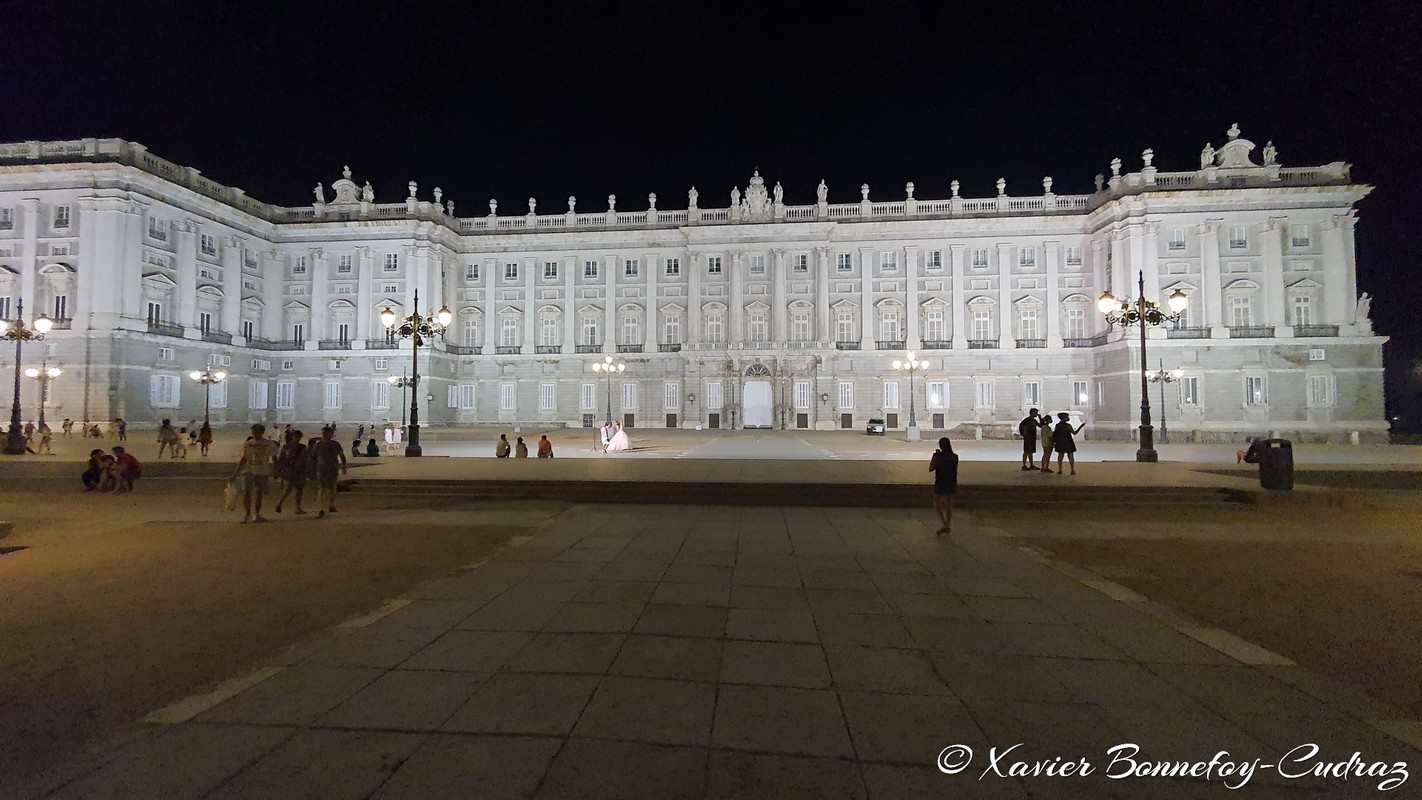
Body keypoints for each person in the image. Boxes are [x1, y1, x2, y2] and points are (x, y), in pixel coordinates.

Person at [233, 423, 277, 523]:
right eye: (253, 431)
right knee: (247, 493)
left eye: (256, 432)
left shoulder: (268, 444)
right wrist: (236, 472)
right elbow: (244, 458)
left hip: (262, 471)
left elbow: (274, 459)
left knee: (259, 493)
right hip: (249, 470)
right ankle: (248, 514)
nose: (254, 434)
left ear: (262, 432)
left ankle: (257, 514)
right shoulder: (248, 443)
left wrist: (275, 471)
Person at [312, 426, 348, 518]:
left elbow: (342, 456)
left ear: (331, 434)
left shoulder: (335, 444)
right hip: (321, 468)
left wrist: (344, 467)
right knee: (322, 488)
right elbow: (313, 457)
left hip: (332, 468)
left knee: (332, 487)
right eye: (323, 433)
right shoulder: (318, 444)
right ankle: (320, 507)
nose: (324, 435)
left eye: (326, 433)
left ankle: (331, 504)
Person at [273, 430, 309, 514]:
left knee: (299, 489)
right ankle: (280, 503)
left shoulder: (303, 447)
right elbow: (281, 458)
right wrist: (279, 470)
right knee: (289, 488)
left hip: (299, 471)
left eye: (299, 437)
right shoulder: (287, 447)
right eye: (296, 436)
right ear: (293, 437)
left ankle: (297, 507)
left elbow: (306, 459)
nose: (297, 438)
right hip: (290, 471)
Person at [929, 436, 959, 535]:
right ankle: (947, 524)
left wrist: (935, 456)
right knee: (949, 505)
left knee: (938, 505)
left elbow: (931, 468)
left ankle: (945, 524)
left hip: (941, 482)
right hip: (952, 482)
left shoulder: (938, 456)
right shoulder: (955, 456)